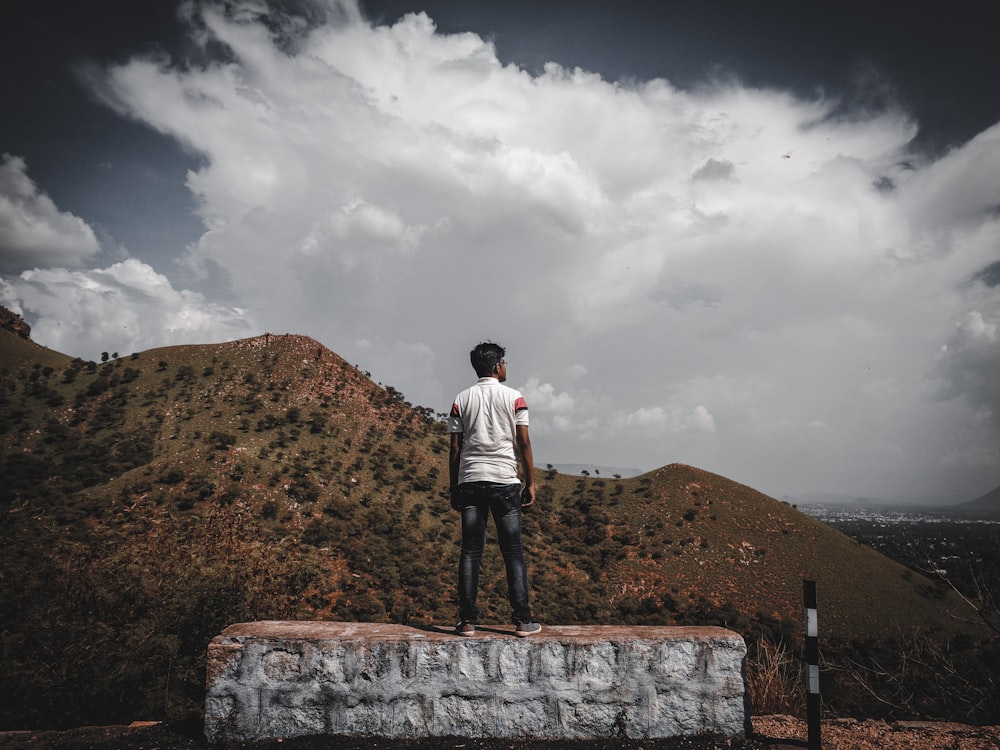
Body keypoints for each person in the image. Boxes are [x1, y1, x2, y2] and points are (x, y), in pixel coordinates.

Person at [448, 342, 541, 637]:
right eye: (505, 362)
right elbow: (523, 442)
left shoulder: (461, 399)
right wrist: (531, 481)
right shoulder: (514, 397)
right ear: (498, 365)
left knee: (471, 552)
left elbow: (455, 448)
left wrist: (454, 485)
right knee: (512, 552)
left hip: (471, 480)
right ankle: (523, 620)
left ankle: (466, 621)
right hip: (505, 481)